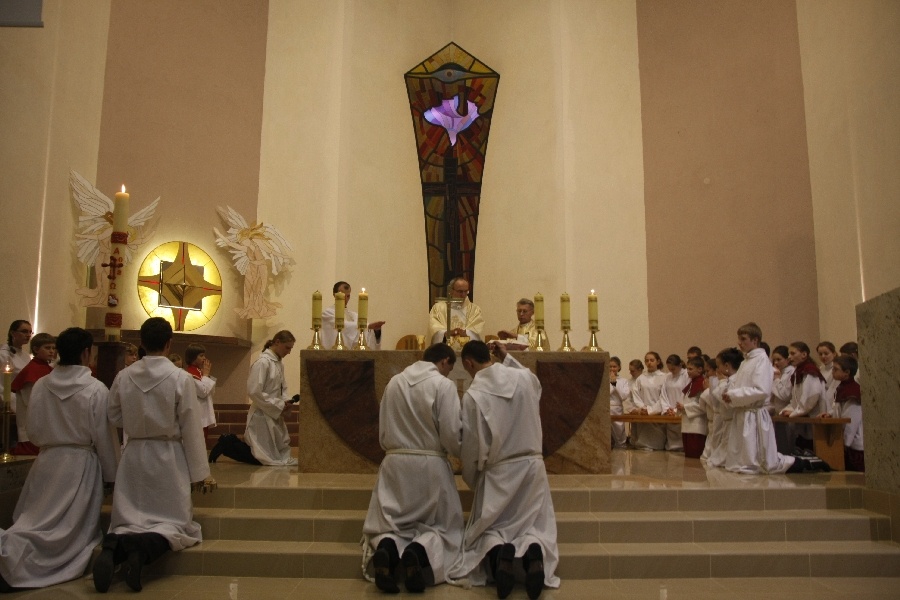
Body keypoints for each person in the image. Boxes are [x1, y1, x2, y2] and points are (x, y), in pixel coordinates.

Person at [94, 317, 210, 593]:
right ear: (169, 343)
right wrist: (200, 473)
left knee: (129, 519)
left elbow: (113, 415)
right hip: (168, 455)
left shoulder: (124, 376)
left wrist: (136, 424)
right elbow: (191, 426)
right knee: (172, 523)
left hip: (134, 453)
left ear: (142, 343)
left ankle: (112, 548)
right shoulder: (180, 378)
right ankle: (141, 553)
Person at [0, 328, 118, 593]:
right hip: (80, 465)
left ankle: (15, 554)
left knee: (35, 519)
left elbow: (33, 429)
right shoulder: (95, 389)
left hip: (47, 462)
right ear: (86, 353)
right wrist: (112, 475)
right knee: (68, 528)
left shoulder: (42, 385)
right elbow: (104, 436)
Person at [450, 341, 558, 600]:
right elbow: (537, 386)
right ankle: (534, 556)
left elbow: (473, 445)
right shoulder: (524, 378)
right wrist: (507, 357)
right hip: (532, 467)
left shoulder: (474, 395)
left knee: (493, 528)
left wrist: (473, 479)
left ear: (468, 363)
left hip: (499, 472)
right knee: (533, 525)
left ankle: (502, 556)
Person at [362, 343, 463, 594]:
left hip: (395, 463)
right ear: (444, 361)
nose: (448, 373)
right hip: (430, 465)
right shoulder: (443, 385)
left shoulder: (394, 382)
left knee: (392, 523)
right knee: (441, 526)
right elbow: (451, 433)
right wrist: (462, 452)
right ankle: (417, 553)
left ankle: (386, 549)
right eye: (449, 368)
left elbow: (383, 426)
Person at [708, 323, 799, 474]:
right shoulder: (745, 362)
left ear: (755, 340)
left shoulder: (762, 360)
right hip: (742, 412)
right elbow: (738, 384)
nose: (739, 343)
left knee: (757, 460)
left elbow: (761, 390)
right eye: (739, 339)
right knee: (739, 459)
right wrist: (729, 393)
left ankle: (803, 463)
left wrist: (734, 395)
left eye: (743, 339)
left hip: (754, 413)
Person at [243, 330, 298, 466]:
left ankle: (282, 459)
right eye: (287, 348)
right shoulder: (263, 362)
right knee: (263, 453)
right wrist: (278, 404)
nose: (289, 352)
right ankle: (226, 445)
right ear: (277, 342)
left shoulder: (278, 363)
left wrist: (285, 401)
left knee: (278, 443)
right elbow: (254, 391)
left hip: (274, 410)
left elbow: (282, 387)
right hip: (262, 412)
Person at [9, 333, 56, 455]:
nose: (51, 351)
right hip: (31, 425)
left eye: (53, 348)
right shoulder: (31, 370)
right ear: (36, 349)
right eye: (47, 348)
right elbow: (30, 401)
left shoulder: (48, 368)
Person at [780, 341, 827, 453]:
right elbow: (796, 398)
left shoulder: (810, 371)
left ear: (804, 354)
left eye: (793, 353)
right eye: (789, 354)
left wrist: (795, 412)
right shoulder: (798, 372)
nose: (789, 357)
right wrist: (788, 409)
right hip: (803, 420)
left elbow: (811, 397)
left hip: (814, 419)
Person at [822, 355, 864, 472]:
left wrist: (844, 444)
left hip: (854, 446)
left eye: (836, 369)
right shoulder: (843, 387)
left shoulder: (853, 392)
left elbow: (851, 422)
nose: (832, 371)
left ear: (847, 372)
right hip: (847, 443)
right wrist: (830, 414)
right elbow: (839, 409)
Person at [321, 281, 385, 350]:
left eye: (348, 296)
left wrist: (376, 331)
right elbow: (343, 326)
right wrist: (367, 326)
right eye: (342, 296)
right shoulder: (328, 313)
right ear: (334, 295)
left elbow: (366, 336)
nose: (346, 299)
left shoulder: (354, 316)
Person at [1, 320, 33, 449]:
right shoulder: (3, 355)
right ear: (13, 333)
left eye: (30, 332)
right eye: (24, 331)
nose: (28, 335)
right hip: (9, 398)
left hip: (23, 397)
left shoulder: (25, 355)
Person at [626, 352, 667, 450]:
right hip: (643, 411)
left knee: (657, 439)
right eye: (647, 360)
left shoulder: (664, 377)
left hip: (657, 411)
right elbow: (636, 395)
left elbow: (664, 396)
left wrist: (651, 410)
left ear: (658, 361)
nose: (649, 363)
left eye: (652, 360)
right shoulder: (641, 378)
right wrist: (643, 408)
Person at [428, 277, 484, 345]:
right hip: (445, 348)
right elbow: (434, 327)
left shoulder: (474, 309)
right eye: (460, 291)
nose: (463, 295)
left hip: (466, 348)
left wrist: (465, 333)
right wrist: (446, 333)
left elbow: (477, 329)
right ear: (451, 291)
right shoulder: (438, 308)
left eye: (466, 291)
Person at [678, 356, 708, 459]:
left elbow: (702, 405)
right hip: (687, 423)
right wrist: (680, 407)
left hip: (697, 424)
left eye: (690, 369)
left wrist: (685, 407)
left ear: (699, 369)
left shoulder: (702, 383)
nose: (688, 371)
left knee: (695, 454)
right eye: (687, 369)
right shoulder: (691, 383)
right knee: (688, 455)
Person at [185, 343, 216, 440]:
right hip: (198, 414)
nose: (204, 358)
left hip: (203, 414)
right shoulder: (190, 374)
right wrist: (205, 375)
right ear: (193, 357)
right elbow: (203, 392)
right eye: (201, 355)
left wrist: (206, 375)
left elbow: (210, 391)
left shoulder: (199, 371)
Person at [659, 354, 688, 451]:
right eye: (669, 369)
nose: (671, 371)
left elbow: (685, 393)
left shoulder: (686, 375)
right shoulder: (668, 377)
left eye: (673, 369)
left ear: (679, 365)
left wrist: (676, 410)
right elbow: (663, 394)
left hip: (680, 409)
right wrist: (667, 409)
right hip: (669, 409)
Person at [608, 357, 629, 449]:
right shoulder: (604, 379)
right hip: (606, 408)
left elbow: (624, 396)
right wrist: (611, 383)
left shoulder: (624, 381)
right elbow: (605, 394)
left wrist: (614, 384)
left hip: (617, 408)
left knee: (619, 431)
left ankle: (621, 446)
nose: (612, 369)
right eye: (610, 366)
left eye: (614, 366)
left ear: (619, 367)